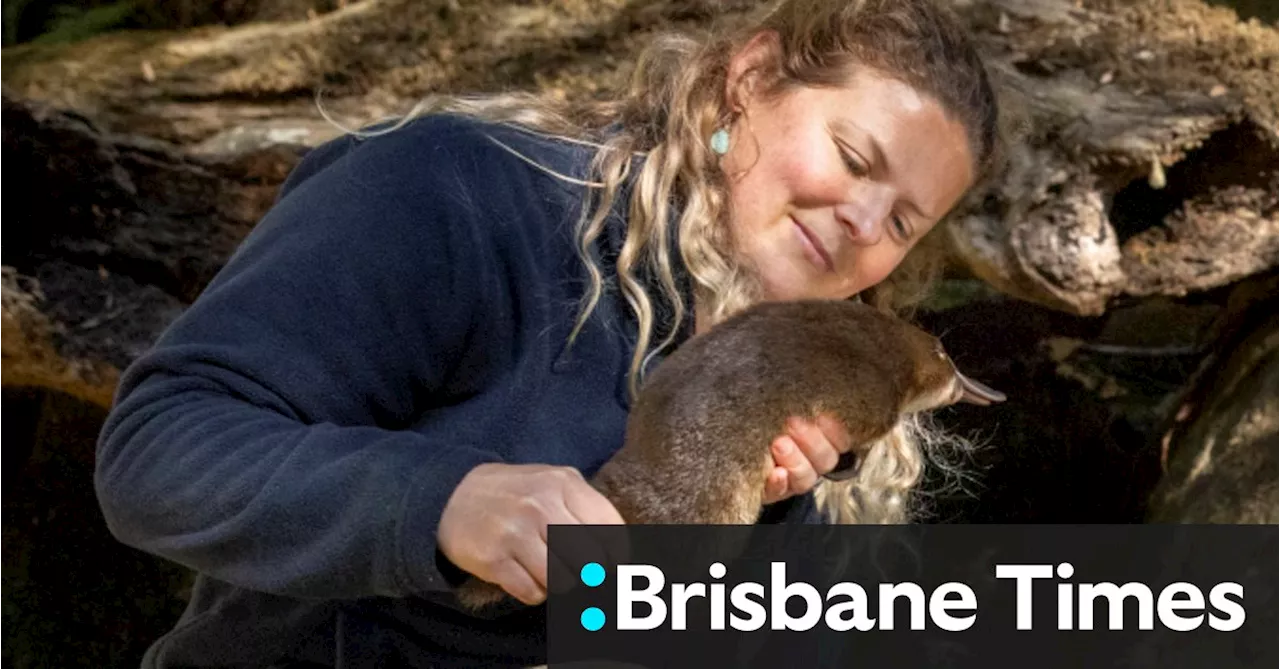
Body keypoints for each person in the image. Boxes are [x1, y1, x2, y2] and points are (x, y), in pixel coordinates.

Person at [93, 0, 1000, 666]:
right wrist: (443, 501)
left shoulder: (805, 412)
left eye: (901, 224)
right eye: (852, 159)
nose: (861, 222)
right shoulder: (456, 193)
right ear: (751, 77)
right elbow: (157, 451)